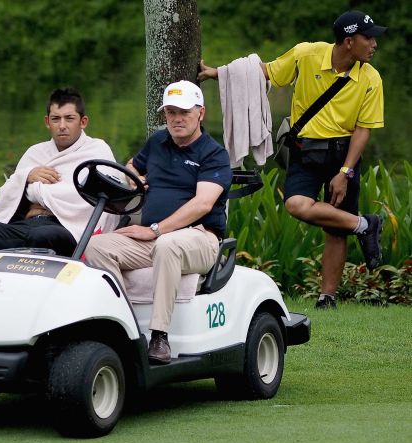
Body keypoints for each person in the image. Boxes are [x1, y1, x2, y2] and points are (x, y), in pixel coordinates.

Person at [198, 10, 386, 309]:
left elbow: (363, 130)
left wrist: (345, 171)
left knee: (337, 228)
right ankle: (365, 224)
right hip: (305, 150)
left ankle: (327, 297)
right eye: (369, 37)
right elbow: (263, 71)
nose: (375, 44)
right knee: (296, 204)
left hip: (343, 155)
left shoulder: (371, 77)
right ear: (349, 41)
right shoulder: (306, 54)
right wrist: (216, 73)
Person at [84, 80, 232, 364]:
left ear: (201, 112)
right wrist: (134, 178)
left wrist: (154, 230)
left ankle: (159, 337)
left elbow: (203, 203)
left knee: (167, 245)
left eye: (184, 112)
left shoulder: (213, 154)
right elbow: (131, 165)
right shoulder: (157, 142)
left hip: (199, 239)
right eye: (171, 112)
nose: (177, 119)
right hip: (155, 238)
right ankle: (122, 328)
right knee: (97, 245)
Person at [0, 87, 119, 256]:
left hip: (68, 230)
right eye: (56, 119)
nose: (62, 126)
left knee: (42, 236)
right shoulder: (35, 152)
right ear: (47, 122)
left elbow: (94, 199)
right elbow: (7, 196)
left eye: (69, 118)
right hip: (26, 226)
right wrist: (26, 176)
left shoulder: (97, 150)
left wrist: (37, 192)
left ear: (83, 122)